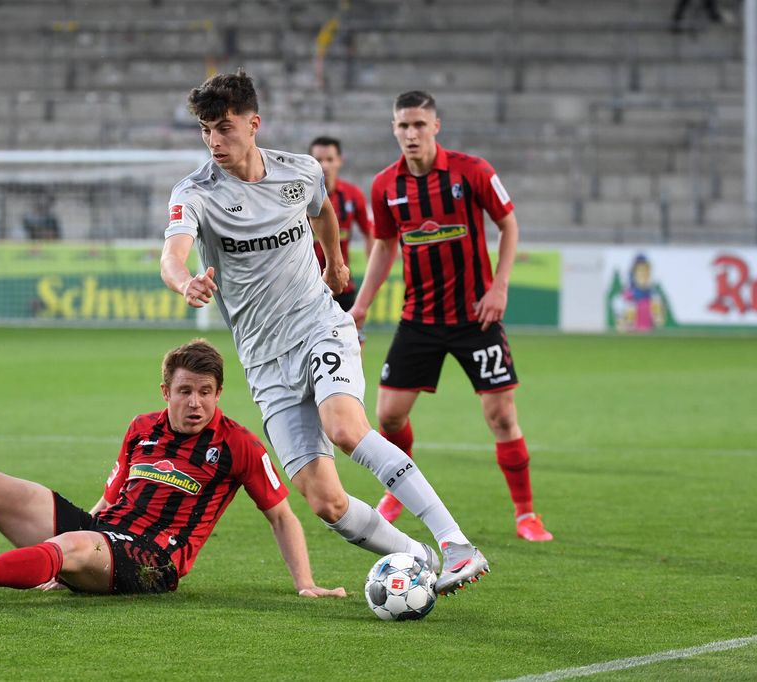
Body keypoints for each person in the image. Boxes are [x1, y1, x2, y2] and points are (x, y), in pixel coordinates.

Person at [159, 70, 488, 596]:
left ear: (254, 123)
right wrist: (185, 282)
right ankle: (420, 558)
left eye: (224, 128)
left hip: (318, 325)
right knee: (326, 502)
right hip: (264, 360)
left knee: (344, 426)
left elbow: (324, 210)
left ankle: (455, 543)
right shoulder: (196, 192)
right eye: (205, 131)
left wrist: (335, 263)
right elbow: (172, 254)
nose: (214, 142)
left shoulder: (300, 171)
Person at [0, 339, 346, 598]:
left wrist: (306, 583)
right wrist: (67, 549)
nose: (196, 403)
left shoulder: (239, 445)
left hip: (154, 562)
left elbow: (282, 516)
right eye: (185, 392)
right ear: (166, 392)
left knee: (74, 548)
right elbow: (108, 500)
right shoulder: (141, 428)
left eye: (206, 393)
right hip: (107, 533)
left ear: (218, 394)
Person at [349, 90, 553, 542]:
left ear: (435, 126)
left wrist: (499, 288)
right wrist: (360, 306)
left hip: (475, 318)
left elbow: (509, 224)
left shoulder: (472, 170)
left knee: (501, 416)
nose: (411, 133)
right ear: (394, 129)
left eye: (419, 124)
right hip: (419, 318)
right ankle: (402, 489)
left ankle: (526, 514)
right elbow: (384, 246)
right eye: (403, 125)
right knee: (390, 417)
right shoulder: (386, 185)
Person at [308, 136, 372, 315]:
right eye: (319, 160)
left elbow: (370, 232)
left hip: (342, 285)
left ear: (339, 161)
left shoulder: (353, 195)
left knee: (350, 341)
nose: (324, 165)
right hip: (307, 288)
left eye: (329, 159)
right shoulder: (300, 197)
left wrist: (371, 270)